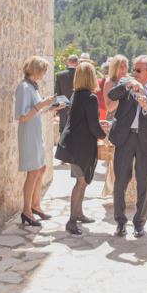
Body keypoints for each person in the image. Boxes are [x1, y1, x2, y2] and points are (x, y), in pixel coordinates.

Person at [108, 55, 147, 237]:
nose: (135, 73)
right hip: (124, 139)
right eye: (134, 69)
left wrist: (146, 108)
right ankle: (120, 222)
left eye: (139, 70)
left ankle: (140, 223)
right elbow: (110, 96)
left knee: (144, 184)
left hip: (145, 141)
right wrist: (127, 84)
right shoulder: (126, 84)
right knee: (120, 183)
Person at [55, 62, 110, 234]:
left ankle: (78, 214)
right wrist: (105, 137)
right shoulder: (90, 97)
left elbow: (84, 120)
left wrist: (99, 124)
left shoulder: (77, 95)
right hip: (80, 147)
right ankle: (71, 221)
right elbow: (93, 126)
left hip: (73, 144)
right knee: (81, 182)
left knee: (82, 181)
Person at [15, 56, 65, 226]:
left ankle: (35, 205)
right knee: (33, 172)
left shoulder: (32, 87)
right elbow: (23, 116)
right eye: (44, 69)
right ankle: (26, 211)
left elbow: (35, 112)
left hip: (36, 134)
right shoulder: (23, 87)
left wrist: (51, 108)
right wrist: (41, 104)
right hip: (29, 134)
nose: (45, 73)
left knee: (41, 168)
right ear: (36, 69)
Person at [54, 54, 78, 136]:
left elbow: (57, 92)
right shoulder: (80, 75)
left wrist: (56, 108)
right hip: (77, 109)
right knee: (75, 132)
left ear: (67, 63)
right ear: (77, 63)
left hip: (63, 107)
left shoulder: (60, 75)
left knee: (63, 132)